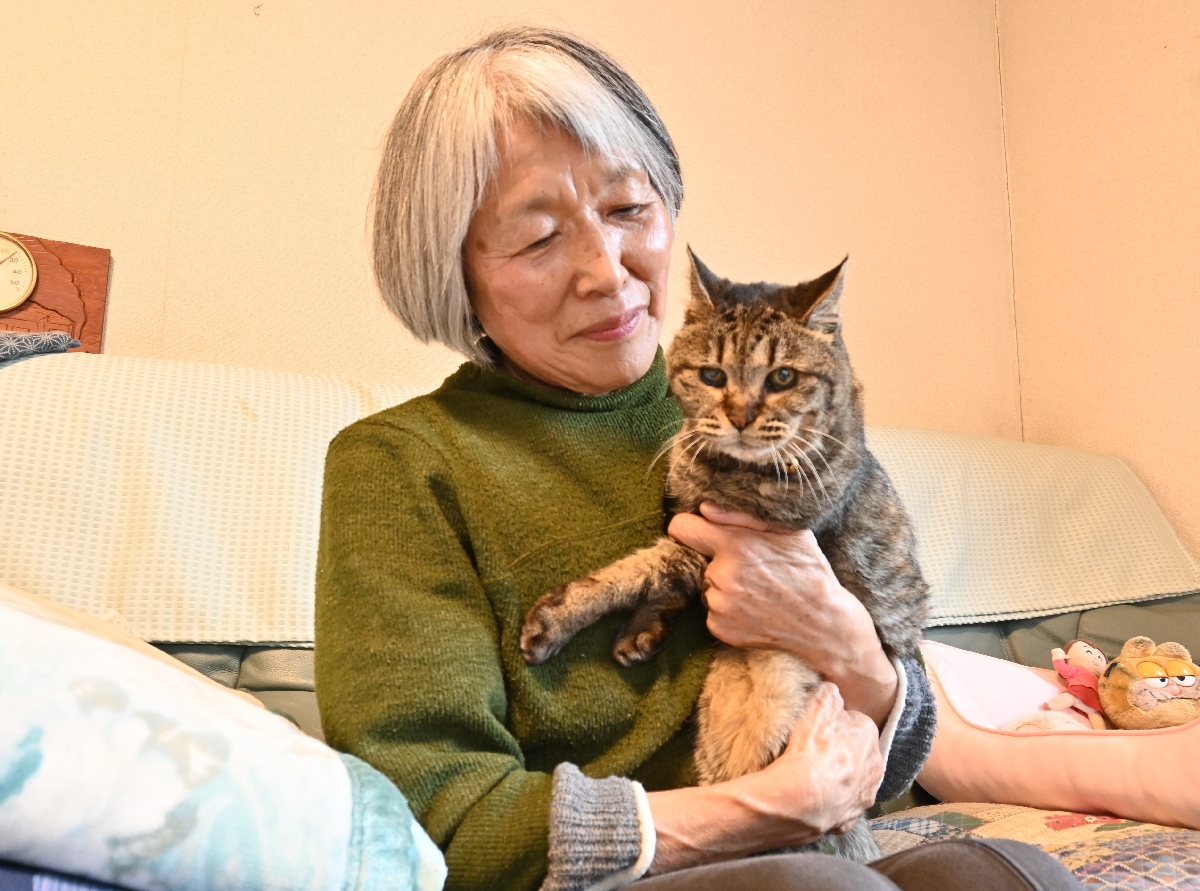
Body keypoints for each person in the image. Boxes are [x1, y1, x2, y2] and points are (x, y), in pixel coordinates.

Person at [314, 26, 1081, 891]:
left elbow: (897, 745)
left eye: (629, 209)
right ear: (453, 274)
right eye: (536, 240)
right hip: (621, 877)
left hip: (825, 854)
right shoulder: (402, 466)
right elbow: (430, 811)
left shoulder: (784, 415)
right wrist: (760, 809)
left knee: (1008, 872)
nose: (609, 272)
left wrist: (843, 642)